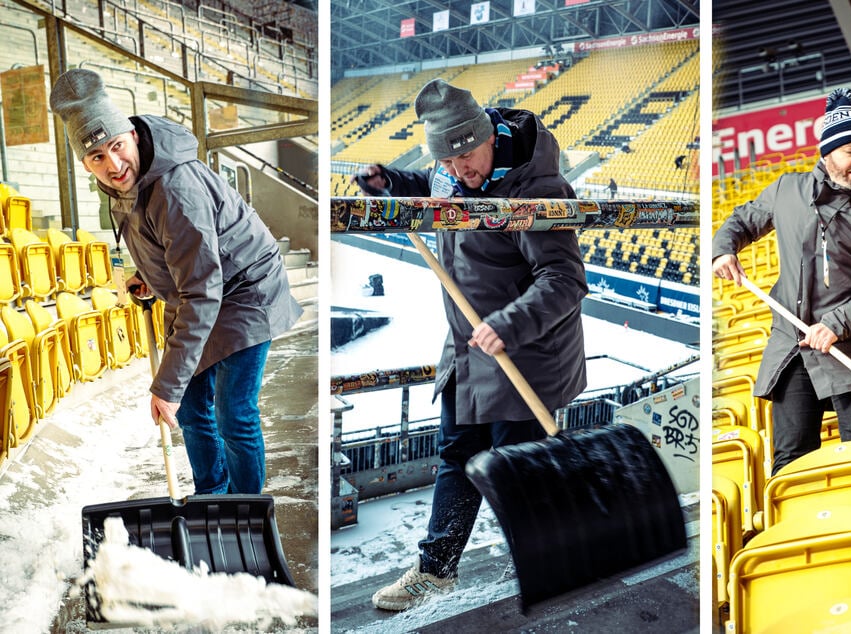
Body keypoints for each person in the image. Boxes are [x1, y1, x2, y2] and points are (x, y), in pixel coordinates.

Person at [352, 78, 588, 611]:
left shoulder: (534, 189)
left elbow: (564, 280)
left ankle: (555, 558)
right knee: (458, 453)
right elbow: (433, 185)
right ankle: (436, 570)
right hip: (468, 350)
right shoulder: (450, 167)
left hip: (524, 355)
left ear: (487, 137)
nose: (461, 172)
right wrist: (393, 182)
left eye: (467, 159)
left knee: (516, 471)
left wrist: (510, 323)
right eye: (450, 164)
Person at [49, 69, 303, 495]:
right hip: (207, 289)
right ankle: (212, 496)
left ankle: (245, 509)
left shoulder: (175, 187)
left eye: (116, 146)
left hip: (245, 291)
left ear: (131, 133)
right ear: (84, 162)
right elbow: (169, 249)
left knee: (233, 412)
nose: (113, 165)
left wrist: (166, 388)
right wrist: (149, 277)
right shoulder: (127, 182)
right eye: (96, 157)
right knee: (189, 411)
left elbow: (202, 289)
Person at [712, 88, 851, 476]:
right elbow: (741, 219)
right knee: (790, 463)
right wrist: (724, 248)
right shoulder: (788, 190)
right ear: (827, 152)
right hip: (791, 347)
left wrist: (836, 324)